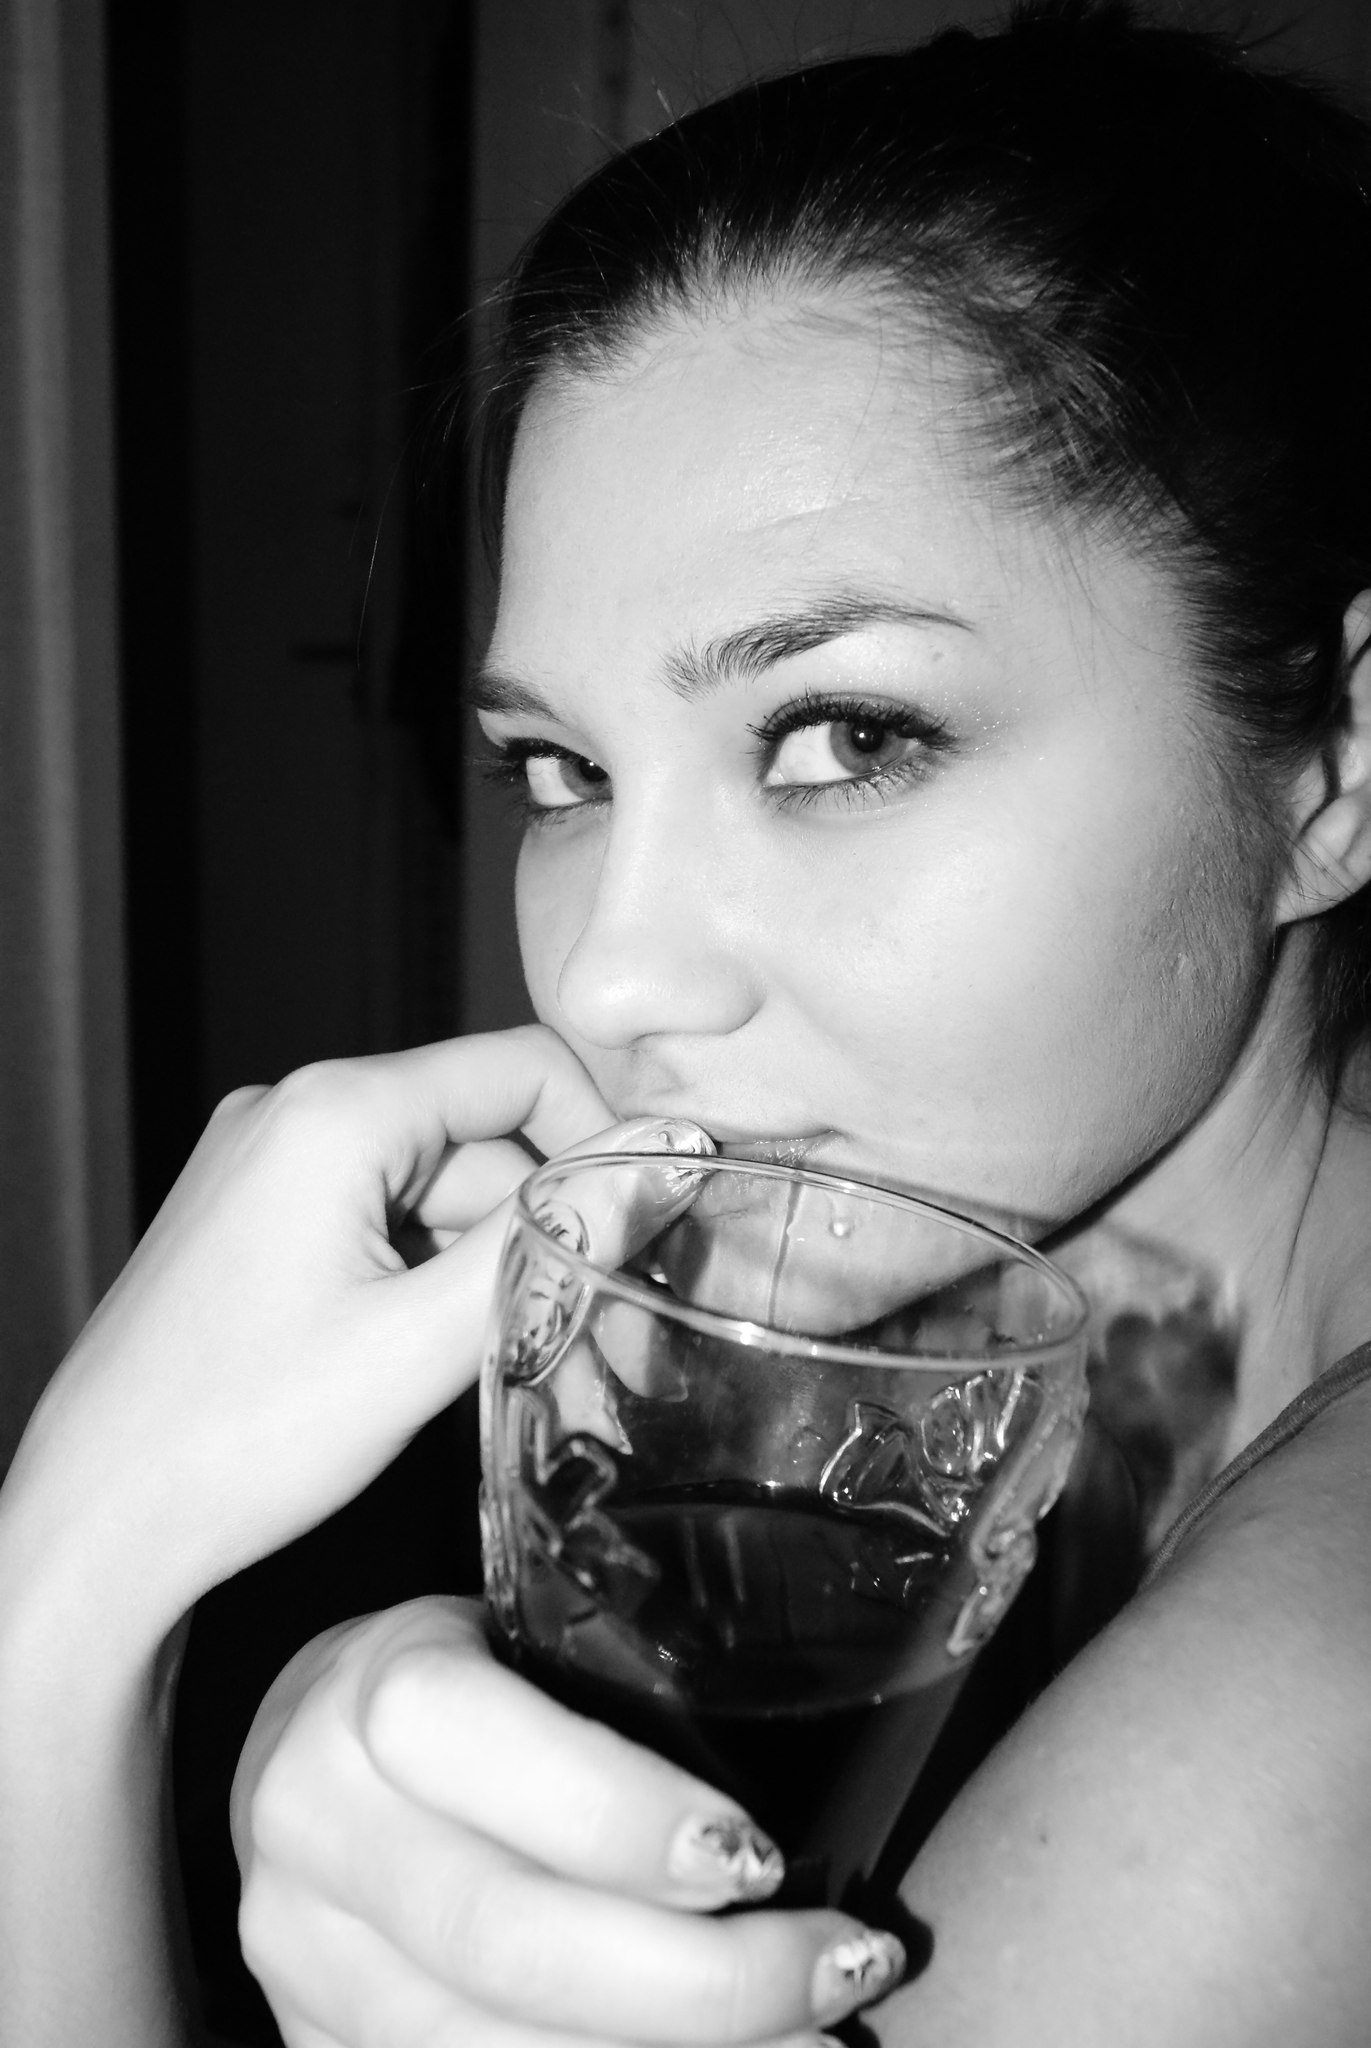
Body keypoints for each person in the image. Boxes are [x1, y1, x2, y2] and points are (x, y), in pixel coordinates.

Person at [5, 0, 1371, 2040]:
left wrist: (56, 1626)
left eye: (842, 735)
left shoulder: (1277, 1757)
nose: (606, 980)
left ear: (1334, 761)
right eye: (561, 772)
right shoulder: (886, 1401)